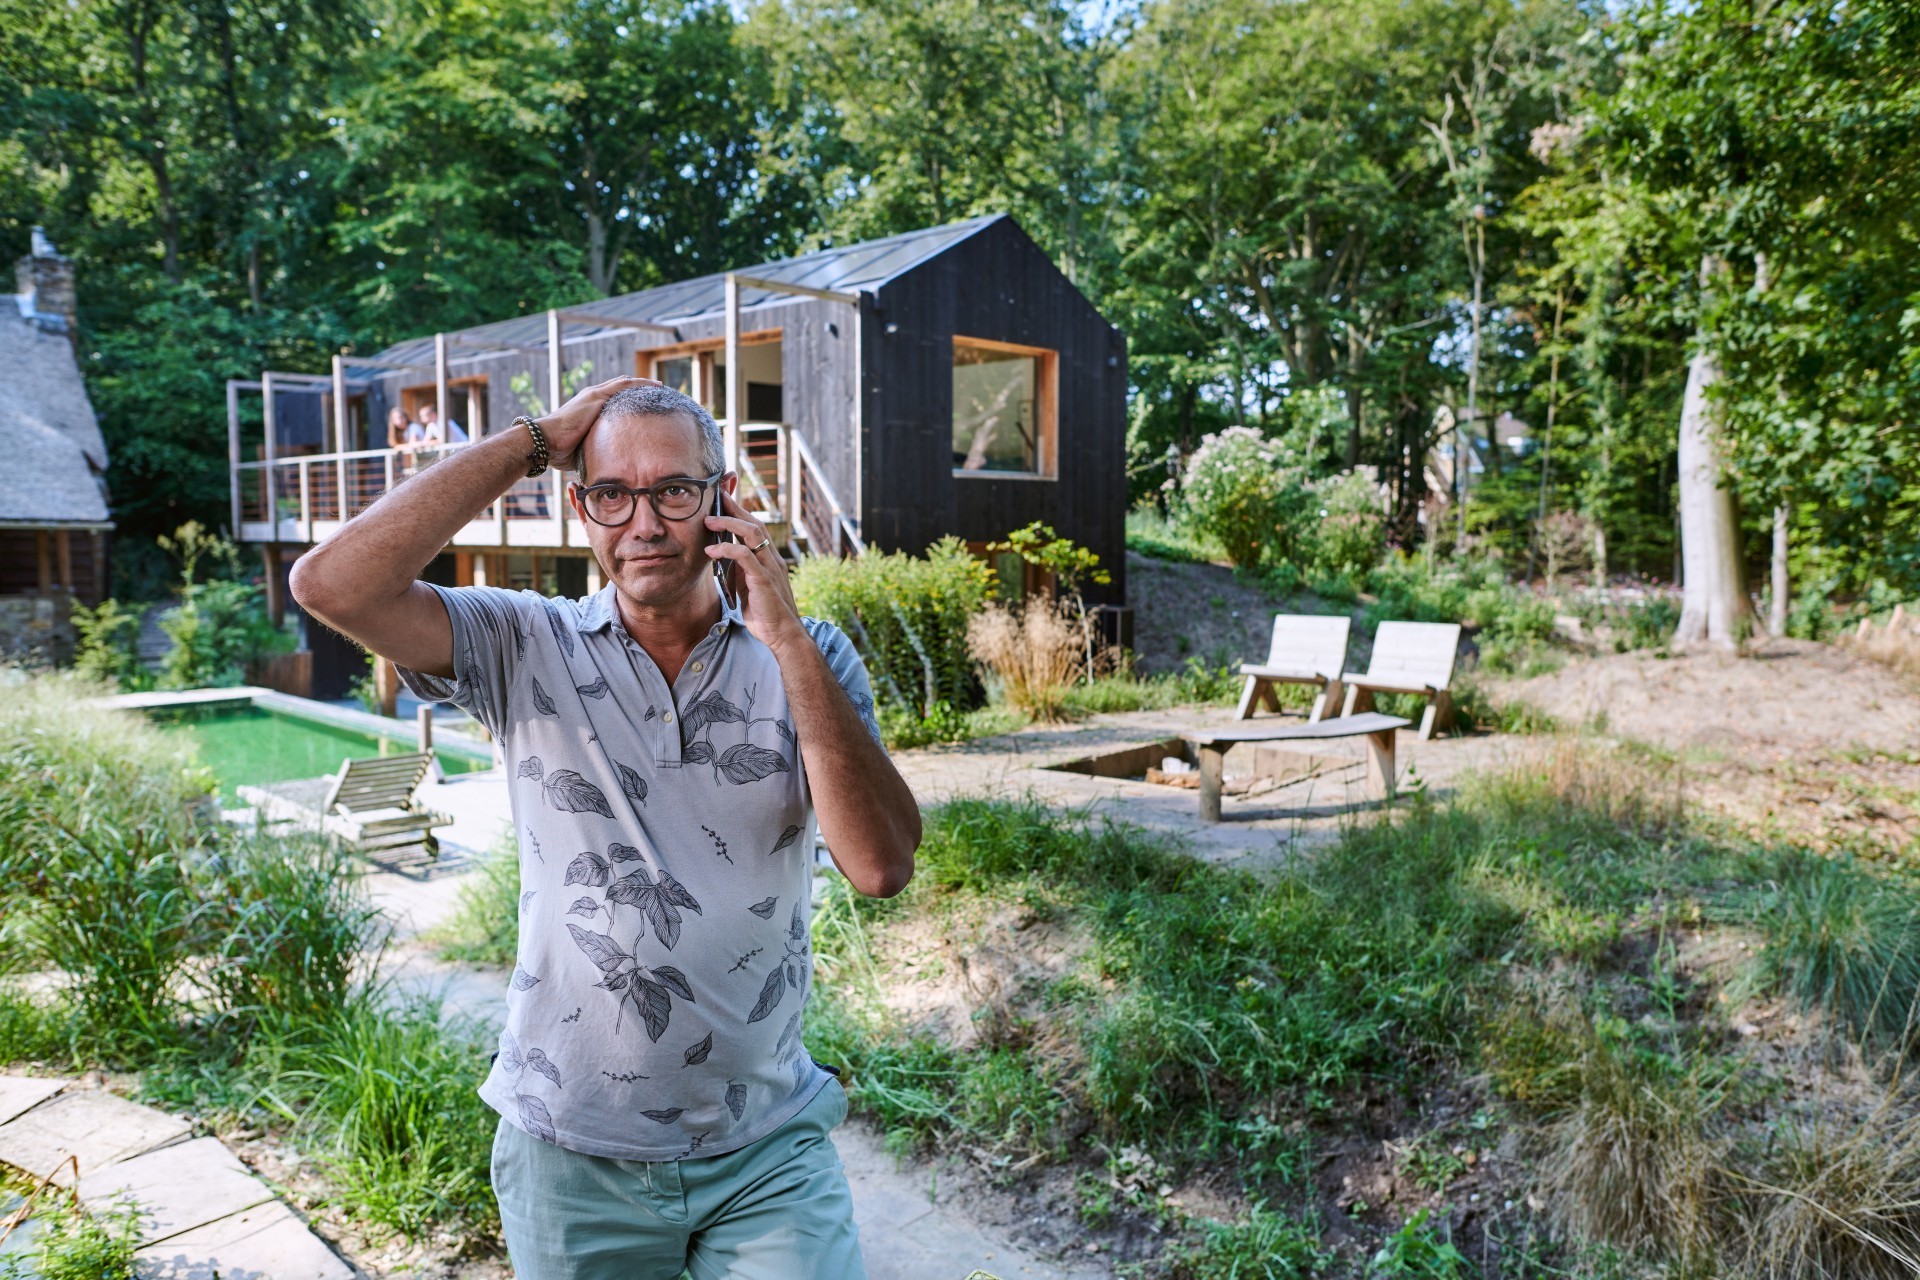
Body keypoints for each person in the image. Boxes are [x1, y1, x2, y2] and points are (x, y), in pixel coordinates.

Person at [288, 376, 919, 1280]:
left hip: (766, 1144)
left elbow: (881, 865)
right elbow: (330, 583)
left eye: (674, 490)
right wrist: (536, 441)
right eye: (611, 494)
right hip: (570, 1150)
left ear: (721, 498)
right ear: (580, 506)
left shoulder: (811, 656)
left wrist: (784, 636)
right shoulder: (521, 643)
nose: (646, 523)